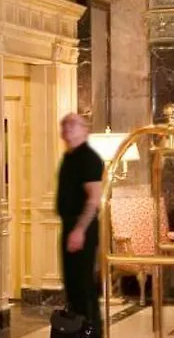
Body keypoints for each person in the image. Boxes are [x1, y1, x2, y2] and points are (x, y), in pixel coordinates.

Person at [56, 113, 106, 334]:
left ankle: (91, 332)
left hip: (82, 228)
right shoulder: (69, 157)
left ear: (85, 130)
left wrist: (79, 230)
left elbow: (94, 199)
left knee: (83, 285)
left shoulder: (89, 158)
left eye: (73, 124)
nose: (67, 128)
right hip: (70, 226)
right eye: (65, 124)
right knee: (72, 285)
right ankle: (76, 332)